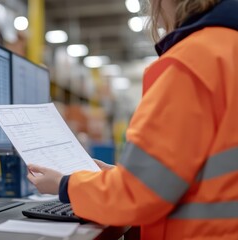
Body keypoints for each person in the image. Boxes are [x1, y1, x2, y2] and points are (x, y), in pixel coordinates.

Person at [27, 0, 238, 239]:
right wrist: (123, 176)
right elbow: (193, 172)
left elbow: (138, 195)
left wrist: (65, 184)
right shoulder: (228, 48)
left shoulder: (193, 60)